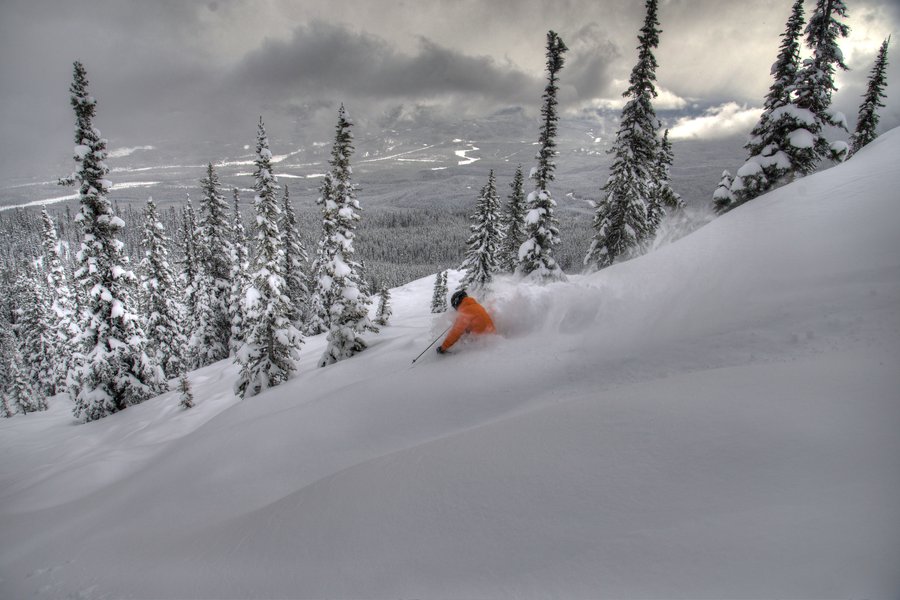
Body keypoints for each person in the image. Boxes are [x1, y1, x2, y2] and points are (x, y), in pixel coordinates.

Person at [437, 290, 496, 354]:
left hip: (483, 344)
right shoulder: (477, 306)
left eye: (455, 306)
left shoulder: (465, 311)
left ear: (457, 302)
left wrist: (443, 347)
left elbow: (455, 333)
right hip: (492, 337)